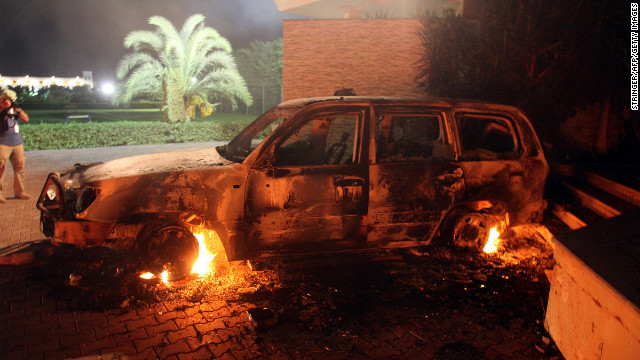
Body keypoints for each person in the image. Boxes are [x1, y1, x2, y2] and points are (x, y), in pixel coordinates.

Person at [0, 89, 31, 203]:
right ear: (2, 99)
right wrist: (3, 108)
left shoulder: (14, 110)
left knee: (20, 168)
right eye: (9, 100)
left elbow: (26, 119)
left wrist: (17, 108)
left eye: (12, 100)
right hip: (2, 143)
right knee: (0, 169)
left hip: (17, 143)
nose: (11, 102)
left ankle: (19, 192)